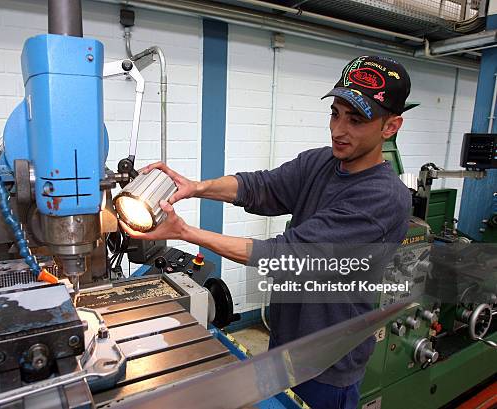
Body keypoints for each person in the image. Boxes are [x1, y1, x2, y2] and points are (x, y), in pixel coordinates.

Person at [120, 55, 413, 409]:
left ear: (390, 127)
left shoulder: (382, 198)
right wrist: (195, 186)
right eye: (335, 113)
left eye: (356, 120)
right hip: (286, 342)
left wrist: (185, 231)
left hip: (326, 364)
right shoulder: (320, 162)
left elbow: (285, 256)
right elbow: (259, 187)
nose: (338, 130)